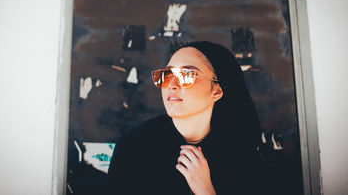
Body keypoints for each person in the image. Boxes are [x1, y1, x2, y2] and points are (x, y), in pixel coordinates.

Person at [107, 41, 263, 195]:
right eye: (167, 75)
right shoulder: (134, 147)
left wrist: (205, 191)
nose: (172, 85)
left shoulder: (240, 153)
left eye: (187, 75)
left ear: (217, 91)